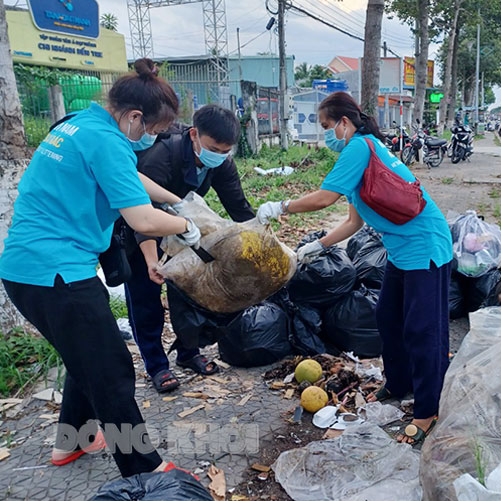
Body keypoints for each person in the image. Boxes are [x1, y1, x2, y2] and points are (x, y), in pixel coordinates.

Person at [0, 59, 202, 477]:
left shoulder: (78, 125)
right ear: (133, 117)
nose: (150, 139)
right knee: (110, 369)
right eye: (151, 130)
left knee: (84, 355)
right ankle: (145, 470)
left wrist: (177, 201)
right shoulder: (108, 142)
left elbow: (131, 179)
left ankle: (71, 442)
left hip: (26, 269)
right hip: (57, 274)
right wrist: (187, 226)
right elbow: (143, 221)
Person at [255, 91, 452, 445]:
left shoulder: (360, 147)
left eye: (327, 126)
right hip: (401, 251)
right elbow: (353, 222)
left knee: (423, 330)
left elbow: (323, 198)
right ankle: (399, 383)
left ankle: (427, 409)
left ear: (344, 123)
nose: (326, 135)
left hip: (425, 245)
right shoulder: (364, 151)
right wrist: (319, 245)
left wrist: (280, 205)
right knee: (387, 318)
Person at [128, 104, 255, 392]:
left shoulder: (220, 162)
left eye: (226, 151)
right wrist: (151, 259)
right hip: (141, 230)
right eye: (214, 148)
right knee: (146, 299)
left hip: (184, 230)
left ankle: (188, 353)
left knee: (189, 294)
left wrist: (262, 240)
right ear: (194, 134)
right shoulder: (162, 156)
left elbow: (238, 207)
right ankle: (156, 365)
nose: (220, 156)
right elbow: (140, 215)